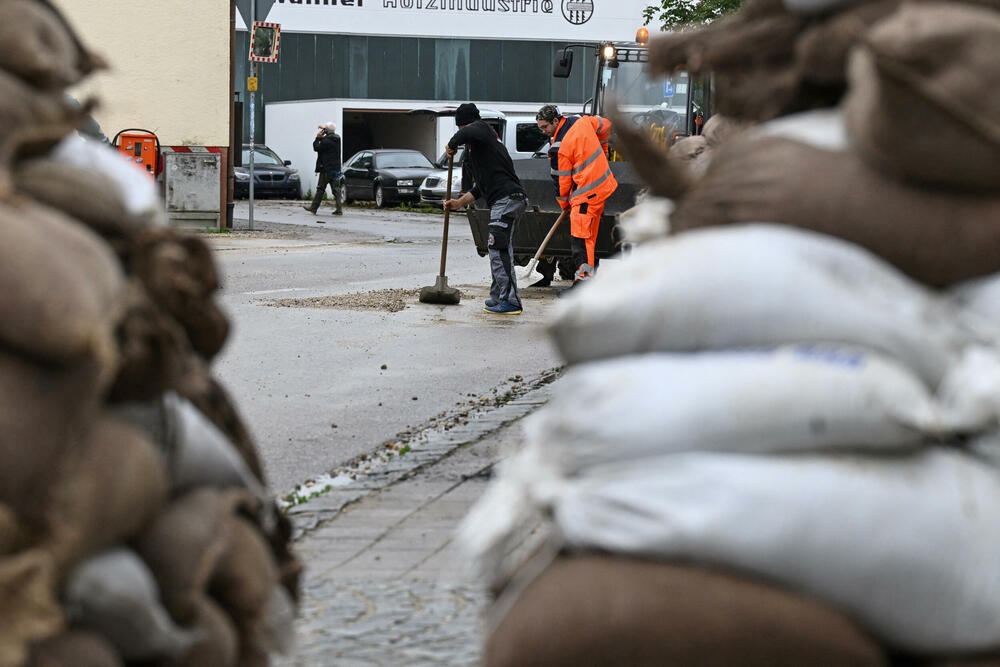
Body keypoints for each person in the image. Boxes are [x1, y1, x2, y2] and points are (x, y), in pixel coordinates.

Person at [444, 103, 528, 315]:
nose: (461, 131)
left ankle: (511, 301)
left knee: (498, 248)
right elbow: (480, 188)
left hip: (507, 199)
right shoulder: (480, 149)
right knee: (498, 249)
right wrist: (458, 203)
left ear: (465, 124)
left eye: (461, 127)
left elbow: (469, 131)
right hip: (507, 200)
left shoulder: (482, 129)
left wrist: (452, 144)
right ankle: (498, 296)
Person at [536, 104, 618, 287]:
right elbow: (606, 125)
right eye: (540, 128)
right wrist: (604, 149)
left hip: (586, 194)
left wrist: (565, 205)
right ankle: (586, 281)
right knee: (589, 237)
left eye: (545, 127)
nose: (543, 131)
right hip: (603, 186)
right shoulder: (581, 120)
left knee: (580, 239)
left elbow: (562, 183)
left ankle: (583, 282)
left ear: (555, 121)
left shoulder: (559, 148)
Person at [304, 121, 343, 218]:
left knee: (320, 189)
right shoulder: (337, 139)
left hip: (326, 169)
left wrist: (317, 138)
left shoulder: (325, 141)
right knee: (336, 190)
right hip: (336, 169)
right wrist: (325, 129)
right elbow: (329, 134)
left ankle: (313, 208)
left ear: (327, 131)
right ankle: (339, 209)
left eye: (325, 130)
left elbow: (316, 147)